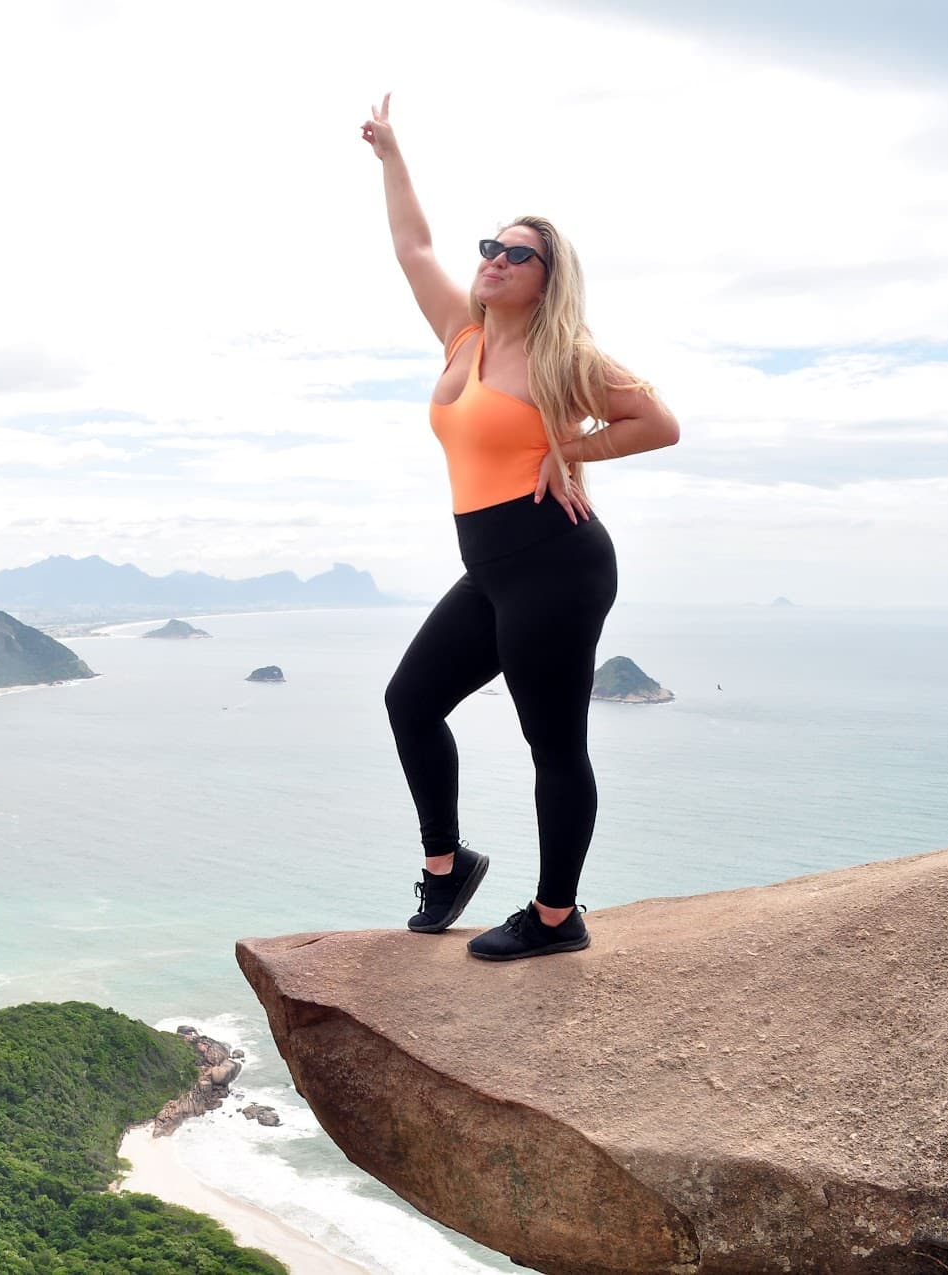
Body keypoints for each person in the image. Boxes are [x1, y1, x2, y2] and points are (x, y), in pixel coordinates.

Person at [361, 92, 681, 960]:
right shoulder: (462, 339)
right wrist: (392, 154)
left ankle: (554, 917)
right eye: (492, 247)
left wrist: (574, 446)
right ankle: (446, 865)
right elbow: (412, 246)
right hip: (495, 567)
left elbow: (659, 421)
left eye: (519, 253)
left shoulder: (562, 357)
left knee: (553, 742)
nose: (497, 259)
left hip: (556, 562)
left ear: (547, 278)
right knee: (411, 700)